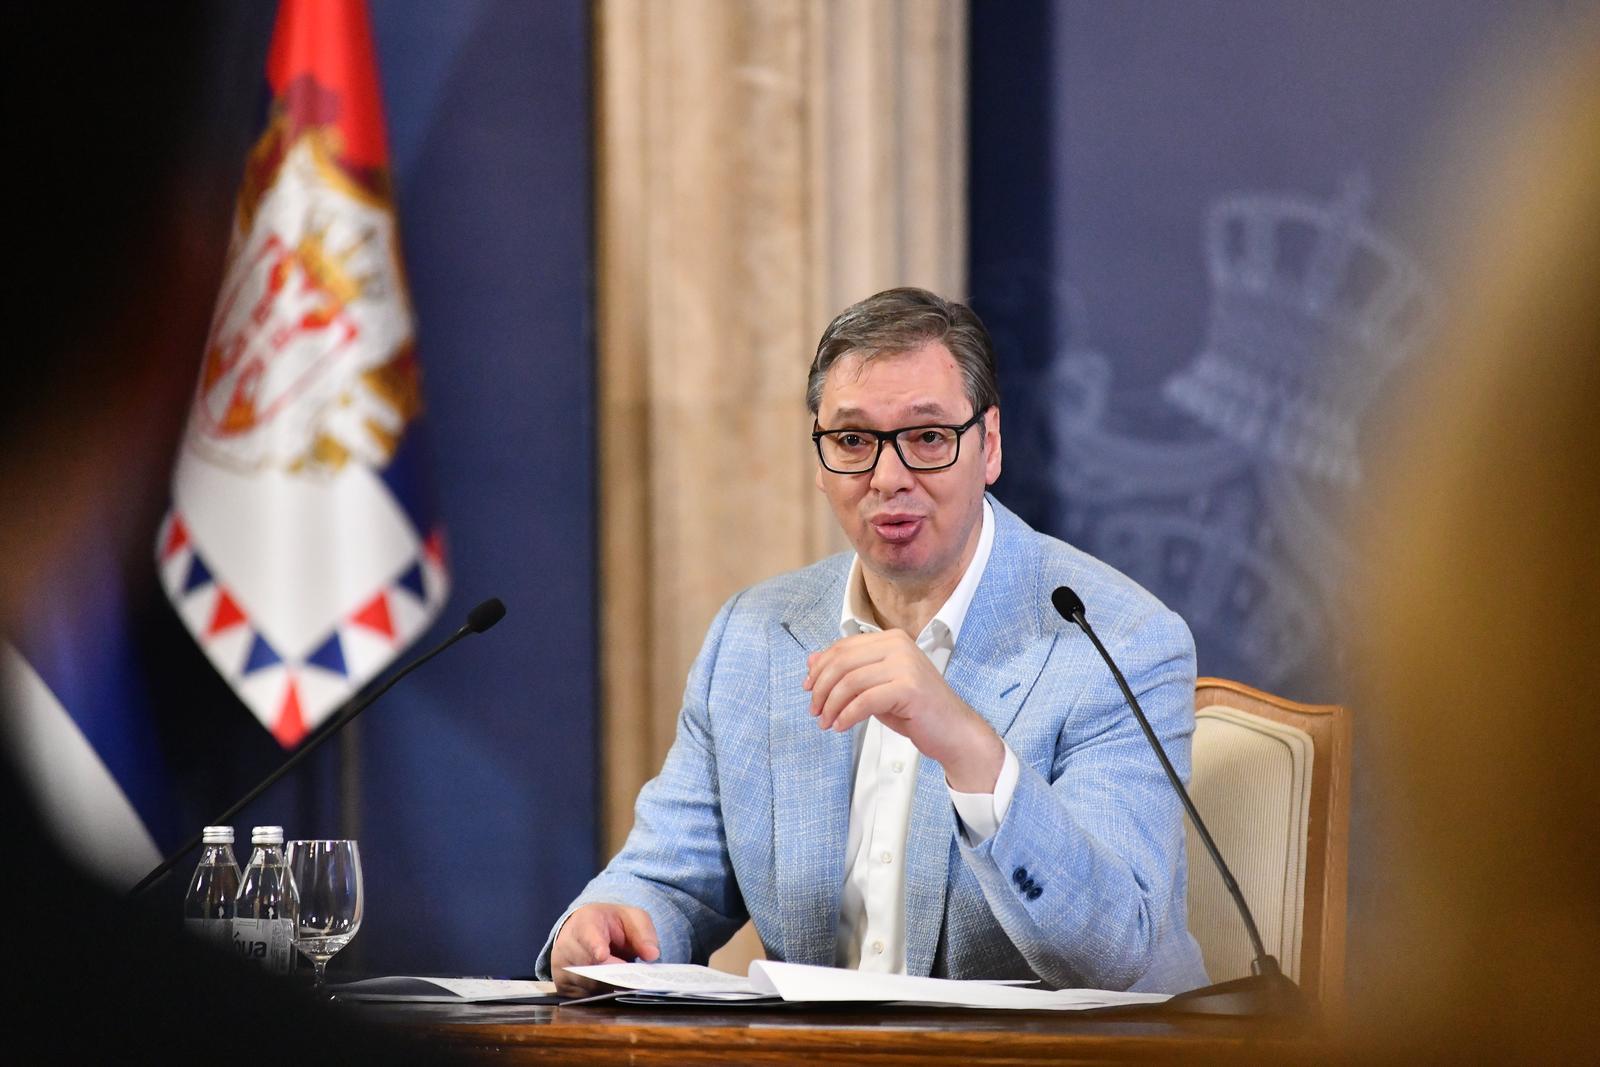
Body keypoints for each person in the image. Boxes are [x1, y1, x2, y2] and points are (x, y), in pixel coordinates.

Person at [540, 288, 1208, 995]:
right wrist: (611, 922)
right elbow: (672, 879)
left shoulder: (1118, 640)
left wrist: (965, 744)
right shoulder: (754, 637)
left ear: (990, 446)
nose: (888, 479)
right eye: (854, 441)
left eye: (927, 437)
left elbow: (1117, 951)